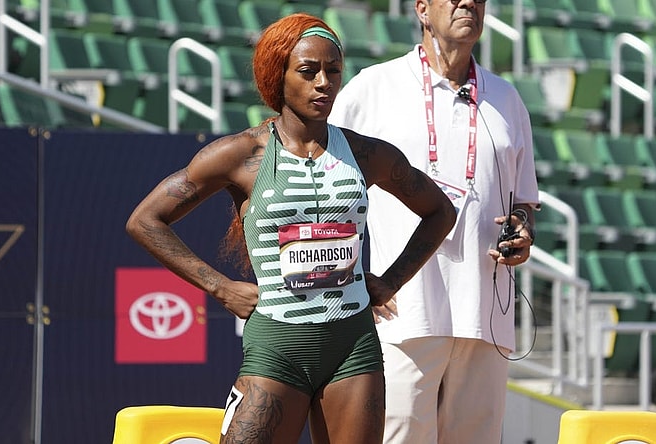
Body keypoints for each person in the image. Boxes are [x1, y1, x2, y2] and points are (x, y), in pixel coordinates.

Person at [126, 13, 456, 444]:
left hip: (352, 348)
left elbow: (440, 212)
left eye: (333, 71)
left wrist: (390, 281)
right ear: (276, 76)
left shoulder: (364, 153)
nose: (324, 82)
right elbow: (145, 221)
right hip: (277, 347)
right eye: (308, 71)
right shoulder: (241, 155)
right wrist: (220, 287)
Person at [328, 0, 540, 442]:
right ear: (422, 9)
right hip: (404, 312)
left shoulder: (506, 97)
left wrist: (522, 228)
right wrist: (348, 272)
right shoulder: (375, 86)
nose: (468, 3)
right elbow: (324, 176)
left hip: (485, 312)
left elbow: (523, 200)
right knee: (399, 435)